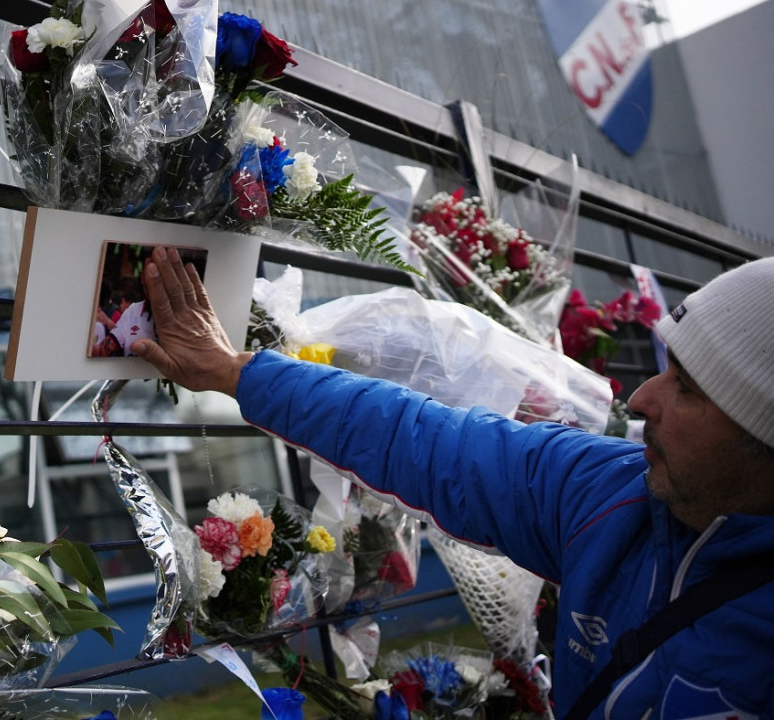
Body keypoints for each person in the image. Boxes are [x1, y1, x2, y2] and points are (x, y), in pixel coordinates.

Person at [131, 246, 774, 718]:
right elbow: (425, 439)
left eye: (687, 389)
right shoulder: (611, 490)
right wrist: (239, 373)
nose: (640, 401)